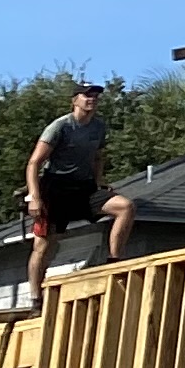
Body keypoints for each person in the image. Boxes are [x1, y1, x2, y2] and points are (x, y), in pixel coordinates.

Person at [25, 83, 133, 269]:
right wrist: (34, 197)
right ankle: (36, 295)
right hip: (56, 189)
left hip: (84, 187)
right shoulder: (60, 127)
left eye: (95, 96)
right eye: (87, 95)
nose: (92, 99)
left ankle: (114, 260)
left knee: (126, 206)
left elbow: (98, 157)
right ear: (75, 100)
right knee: (44, 244)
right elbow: (34, 163)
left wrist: (99, 181)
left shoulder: (98, 127)